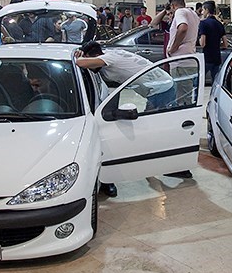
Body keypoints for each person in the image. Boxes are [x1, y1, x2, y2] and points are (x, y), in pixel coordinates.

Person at [75, 41, 178, 196]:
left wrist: (77, 55)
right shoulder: (113, 53)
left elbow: (80, 63)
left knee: (156, 130)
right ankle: (174, 165)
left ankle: (174, 166)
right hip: (164, 83)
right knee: (158, 127)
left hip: (161, 90)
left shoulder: (109, 58)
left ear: (96, 55)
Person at [165, 0, 200, 180]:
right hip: (189, 62)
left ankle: (180, 160)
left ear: (172, 4)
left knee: (181, 109)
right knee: (185, 103)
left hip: (181, 63)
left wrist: (173, 48)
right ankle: (182, 157)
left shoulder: (180, 13)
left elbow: (183, 29)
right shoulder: (193, 13)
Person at [198, 1, 227, 83]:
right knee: (215, 83)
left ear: (207, 10)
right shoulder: (219, 24)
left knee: (198, 82)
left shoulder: (203, 23)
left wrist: (200, 39)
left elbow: (202, 44)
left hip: (207, 58)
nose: (202, 12)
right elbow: (225, 44)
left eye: (203, 10)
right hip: (217, 58)